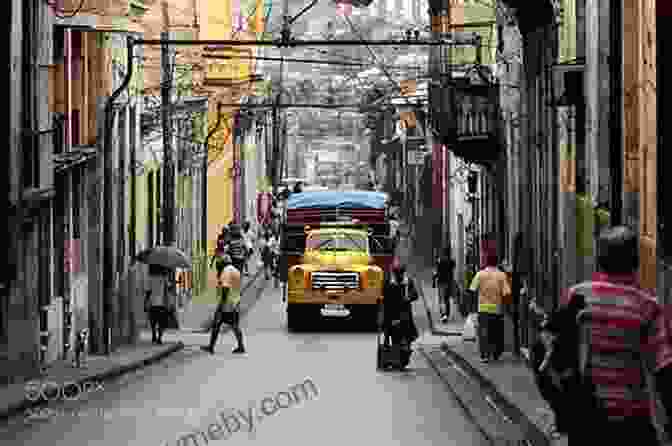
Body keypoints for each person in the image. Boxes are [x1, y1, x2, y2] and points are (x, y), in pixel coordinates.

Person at [531, 226, 672, 444]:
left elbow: (544, 350)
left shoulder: (578, 296)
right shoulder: (648, 307)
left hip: (587, 418)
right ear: (636, 261)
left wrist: (562, 408)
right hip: (631, 420)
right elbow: (663, 370)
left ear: (599, 260)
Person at [469, 252, 511, 363]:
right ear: (497, 262)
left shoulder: (480, 274)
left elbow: (472, 290)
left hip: (483, 308)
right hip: (497, 308)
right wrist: (506, 307)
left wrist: (473, 307)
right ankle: (496, 352)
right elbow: (506, 293)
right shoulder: (501, 275)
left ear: (486, 262)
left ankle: (484, 355)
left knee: (483, 331)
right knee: (496, 331)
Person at [201, 255, 245, 354]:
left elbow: (225, 289)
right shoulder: (236, 270)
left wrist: (221, 305)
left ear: (223, 263)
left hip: (226, 304)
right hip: (234, 302)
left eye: (219, 264)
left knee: (216, 324)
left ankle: (211, 346)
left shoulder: (226, 272)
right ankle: (241, 346)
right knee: (235, 325)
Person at [381, 261, 419, 368]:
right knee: (391, 335)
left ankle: (403, 355)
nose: (399, 275)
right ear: (394, 273)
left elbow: (415, 294)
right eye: (397, 273)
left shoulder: (408, 282)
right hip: (391, 313)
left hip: (405, 314)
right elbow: (382, 297)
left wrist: (409, 297)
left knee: (407, 335)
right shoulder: (388, 282)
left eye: (401, 273)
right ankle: (393, 356)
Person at [144, 264, 170, 345]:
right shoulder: (164, 278)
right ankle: (159, 338)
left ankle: (154, 335)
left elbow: (148, 291)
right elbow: (168, 289)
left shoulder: (150, 278)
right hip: (162, 303)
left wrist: (145, 302)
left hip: (152, 303)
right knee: (162, 322)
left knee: (153, 321)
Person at [433, 247, 456, 323]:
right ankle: (447, 314)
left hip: (441, 283)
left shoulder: (439, 261)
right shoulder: (451, 261)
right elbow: (453, 267)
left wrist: (434, 281)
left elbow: (436, 272)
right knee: (447, 299)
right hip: (449, 282)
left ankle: (444, 315)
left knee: (442, 299)